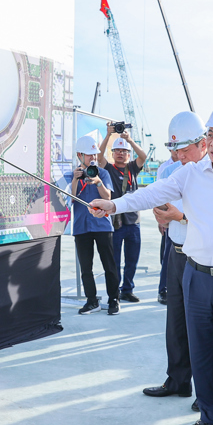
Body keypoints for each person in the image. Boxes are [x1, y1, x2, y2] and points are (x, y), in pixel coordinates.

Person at [90, 101, 213, 425]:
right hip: (195, 276)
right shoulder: (190, 174)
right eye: (211, 136)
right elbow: (151, 195)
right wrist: (114, 205)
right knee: (201, 352)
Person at [142, 112, 208, 402]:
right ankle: (178, 380)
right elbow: (153, 200)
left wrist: (178, 217)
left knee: (202, 328)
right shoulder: (172, 171)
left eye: (184, 149)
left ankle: (207, 395)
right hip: (175, 253)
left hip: (201, 259)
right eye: (175, 150)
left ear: (203, 143)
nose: (179, 156)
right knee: (176, 322)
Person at [71, 134, 120, 315]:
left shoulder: (103, 173)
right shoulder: (73, 174)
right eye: (89, 155)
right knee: (86, 268)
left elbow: (108, 197)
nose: (93, 158)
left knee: (109, 265)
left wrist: (98, 181)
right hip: (81, 227)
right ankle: (92, 301)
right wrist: (76, 179)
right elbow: (72, 198)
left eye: (94, 154)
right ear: (79, 156)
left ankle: (114, 299)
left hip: (102, 226)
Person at [98, 126, 148, 303]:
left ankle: (127, 289)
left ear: (128, 154)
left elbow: (143, 156)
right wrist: (108, 135)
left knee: (132, 260)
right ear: (113, 153)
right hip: (116, 223)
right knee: (115, 260)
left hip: (133, 221)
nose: (120, 153)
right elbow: (98, 156)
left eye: (124, 151)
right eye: (117, 150)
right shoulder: (108, 169)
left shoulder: (133, 168)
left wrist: (130, 140)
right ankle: (116, 291)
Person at [155, 149, 179, 304]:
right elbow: (158, 196)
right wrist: (162, 220)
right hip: (171, 222)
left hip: (185, 223)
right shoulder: (167, 169)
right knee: (168, 258)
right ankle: (163, 289)